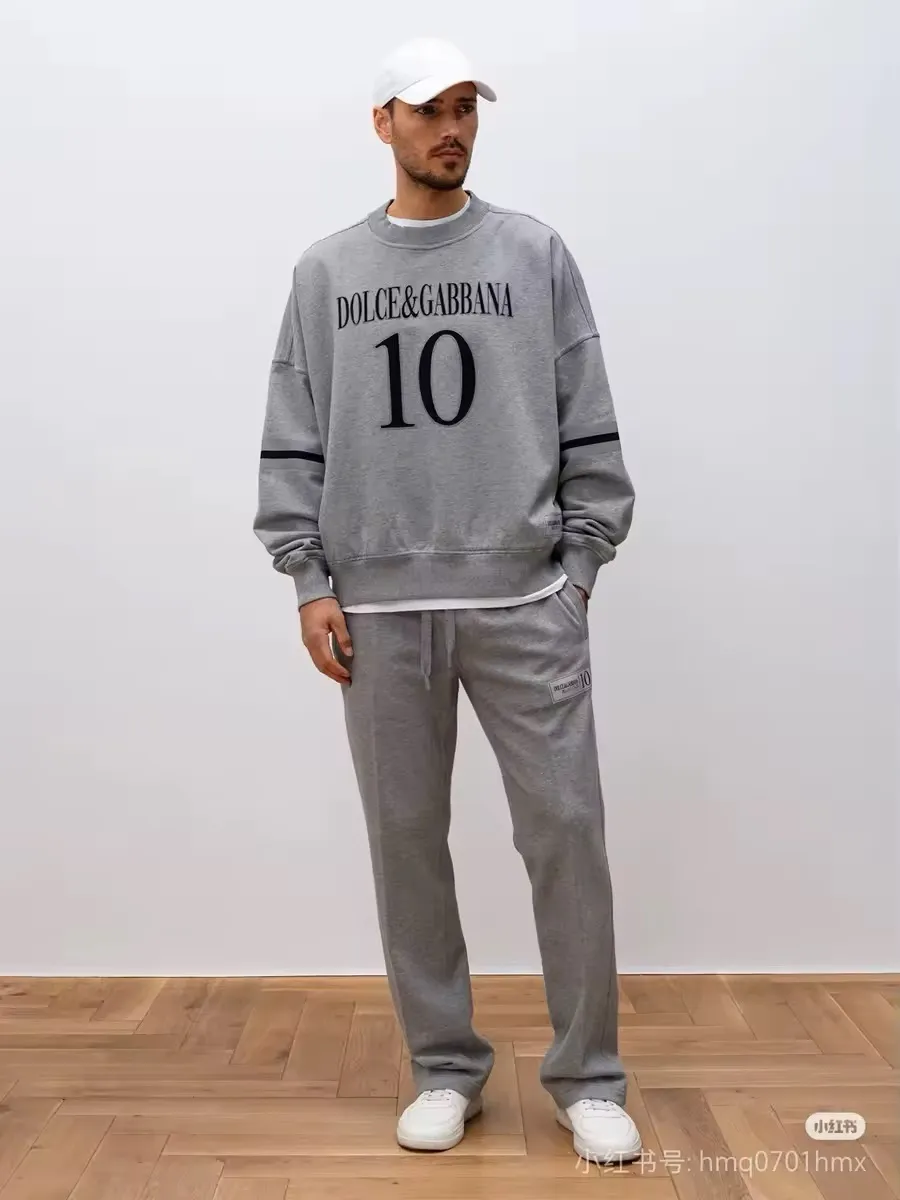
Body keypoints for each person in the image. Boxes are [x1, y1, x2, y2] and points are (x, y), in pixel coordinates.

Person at [253, 35, 641, 1165]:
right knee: (407, 843)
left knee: (566, 832)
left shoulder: (533, 252)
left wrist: (578, 570)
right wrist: (308, 580)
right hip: (376, 615)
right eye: (428, 109)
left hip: (525, 599)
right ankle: (444, 1066)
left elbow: (587, 412)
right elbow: (293, 432)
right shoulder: (325, 272)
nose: (451, 128)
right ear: (383, 122)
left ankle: (589, 1076)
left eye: (466, 107)